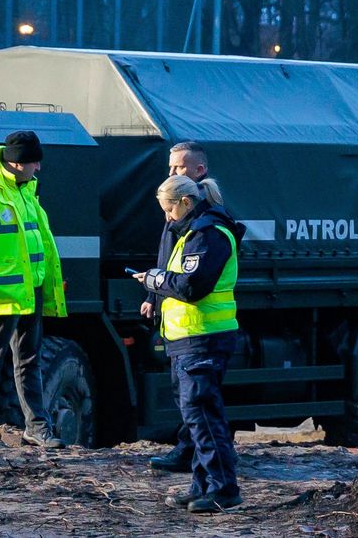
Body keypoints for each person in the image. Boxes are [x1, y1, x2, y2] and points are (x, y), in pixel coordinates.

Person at [134, 175, 245, 513]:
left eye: (169, 210)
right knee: (195, 418)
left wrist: (154, 279)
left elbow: (192, 286)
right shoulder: (192, 233)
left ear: (184, 202)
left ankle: (224, 489)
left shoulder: (208, 234)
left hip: (203, 339)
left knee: (204, 416)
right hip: (188, 341)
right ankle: (202, 485)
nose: (167, 218)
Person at [0, 130, 68, 451]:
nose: (39, 168)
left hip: (29, 292)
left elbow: (38, 243)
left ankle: (37, 428)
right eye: (35, 162)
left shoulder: (26, 190)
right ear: (20, 163)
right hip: (0, 295)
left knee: (29, 362)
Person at [144, 141, 221, 473]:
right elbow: (168, 263)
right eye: (170, 167)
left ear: (198, 171)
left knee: (199, 405)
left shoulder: (203, 223)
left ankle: (214, 478)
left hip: (201, 331)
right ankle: (194, 458)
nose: (172, 172)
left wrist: (154, 284)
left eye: (178, 167)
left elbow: (190, 280)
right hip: (182, 326)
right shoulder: (179, 215)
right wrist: (154, 297)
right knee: (186, 399)